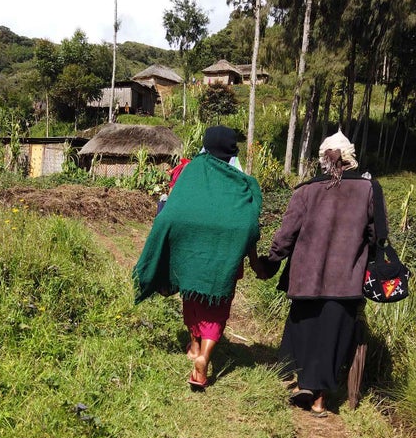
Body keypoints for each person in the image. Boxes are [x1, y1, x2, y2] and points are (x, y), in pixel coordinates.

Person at [132, 126, 265, 389]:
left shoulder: (190, 170)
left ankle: (194, 347)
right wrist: (251, 255)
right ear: (231, 152)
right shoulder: (241, 181)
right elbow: (250, 222)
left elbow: (173, 209)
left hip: (190, 251)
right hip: (225, 254)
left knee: (192, 295)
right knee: (217, 305)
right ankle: (205, 355)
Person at [258, 131, 376, 417]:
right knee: (332, 337)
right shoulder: (368, 190)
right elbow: (376, 236)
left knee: (306, 331)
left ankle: (301, 381)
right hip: (345, 281)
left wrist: (271, 261)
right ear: (350, 157)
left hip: (305, 279)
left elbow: (287, 234)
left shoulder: (305, 190)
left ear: (323, 160)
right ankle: (319, 399)